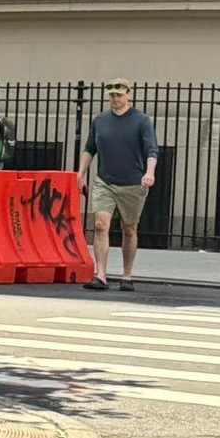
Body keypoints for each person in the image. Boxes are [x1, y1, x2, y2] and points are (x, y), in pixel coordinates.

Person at [82, 79, 159, 292]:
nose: (115, 99)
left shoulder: (141, 120)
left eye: (119, 94)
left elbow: (152, 149)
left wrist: (149, 172)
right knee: (100, 225)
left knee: (129, 229)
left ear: (128, 95)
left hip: (132, 183)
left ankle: (127, 275)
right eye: (112, 95)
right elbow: (90, 148)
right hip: (105, 180)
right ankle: (101, 275)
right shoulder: (100, 121)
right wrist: (81, 174)